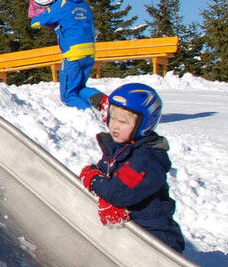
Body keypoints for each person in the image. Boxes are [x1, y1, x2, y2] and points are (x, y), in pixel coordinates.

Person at [78, 83, 185, 252]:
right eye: (112, 118)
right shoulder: (120, 147)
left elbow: (120, 193)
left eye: (123, 122)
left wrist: (93, 179)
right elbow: (109, 179)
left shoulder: (146, 160)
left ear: (144, 124)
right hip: (129, 231)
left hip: (154, 237)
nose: (114, 125)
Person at [28, 0, 105, 110]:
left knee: (68, 95)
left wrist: (38, 11)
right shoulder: (84, 5)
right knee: (80, 88)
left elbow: (36, 22)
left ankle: (88, 116)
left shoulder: (61, 4)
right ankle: (106, 102)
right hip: (90, 53)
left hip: (73, 55)